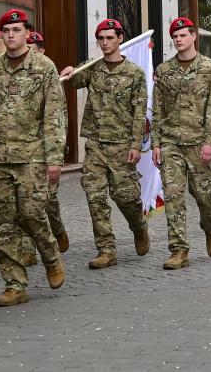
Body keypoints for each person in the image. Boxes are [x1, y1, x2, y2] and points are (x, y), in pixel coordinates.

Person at [0, 8, 66, 306]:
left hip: (32, 157)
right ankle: (14, 284)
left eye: (16, 30)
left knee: (32, 214)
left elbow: (54, 115)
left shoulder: (44, 68)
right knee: (1, 223)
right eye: (6, 30)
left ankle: (51, 255)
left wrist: (54, 159)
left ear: (28, 33)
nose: (11, 35)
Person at [58, 19, 148, 269]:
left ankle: (138, 227)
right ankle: (106, 248)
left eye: (110, 38)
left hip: (121, 145)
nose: (105, 43)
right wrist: (69, 72)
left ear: (120, 38)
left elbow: (140, 110)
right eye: (101, 39)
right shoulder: (92, 68)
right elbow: (74, 81)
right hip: (96, 144)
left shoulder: (134, 73)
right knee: (94, 196)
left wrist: (135, 144)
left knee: (126, 197)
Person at [152, 17, 211, 270]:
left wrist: (210, 142)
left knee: (205, 197)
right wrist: (156, 143)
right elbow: (158, 109)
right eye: (175, 36)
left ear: (194, 37)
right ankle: (179, 249)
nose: (178, 39)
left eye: (183, 35)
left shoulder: (210, 68)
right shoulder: (164, 70)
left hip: (198, 142)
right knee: (172, 196)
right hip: (171, 142)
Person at [21, 30, 69, 266]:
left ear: (42, 50)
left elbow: (59, 120)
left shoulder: (51, 78)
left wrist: (56, 154)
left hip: (45, 149)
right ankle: (28, 249)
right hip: (22, 151)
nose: (29, 50)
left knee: (46, 200)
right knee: (24, 202)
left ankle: (57, 230)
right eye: (26, 46)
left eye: (34, 47)